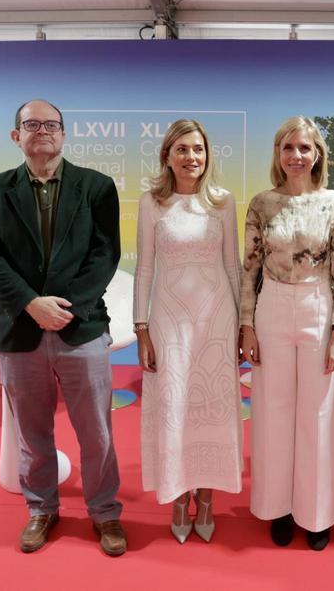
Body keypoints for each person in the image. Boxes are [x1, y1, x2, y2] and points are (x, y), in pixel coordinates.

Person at [0, 100, 127, 557]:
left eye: (51, 124)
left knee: (96, 431)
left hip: (81, 329)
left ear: (64, 133)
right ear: (15, 135)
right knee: (33, 433)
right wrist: (30, 304)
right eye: (31, 124)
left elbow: (105, 255)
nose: (43, 131)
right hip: (21, 331)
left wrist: (65, 308)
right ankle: (41, 508)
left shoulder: (96, 187)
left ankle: (106, 513)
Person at [239, 115, 334, 551]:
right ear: (278, 153)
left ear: (318, 154)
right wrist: (246, 324)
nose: (296, 156)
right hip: (271, 309)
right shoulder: (262, 203)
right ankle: (279, 507)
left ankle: (317, 512)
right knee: (272, 409)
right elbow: (249, 270)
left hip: (318, 306)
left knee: (319, 413)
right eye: (288, 148)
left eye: (304, 148)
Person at [133, 119, 243, 544]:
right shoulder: (151, 203)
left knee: (212, 410)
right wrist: (141, 329)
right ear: (167, 155)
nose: (191, 158)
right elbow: (144, 268)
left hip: (216, 320)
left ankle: (208, 496)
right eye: (182, 149)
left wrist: (242, 324)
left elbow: (232, 266)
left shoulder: (223, 202)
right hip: (169, 321)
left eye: (197, 149)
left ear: (207, 155)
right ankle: (180, 496)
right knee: (175, 409)